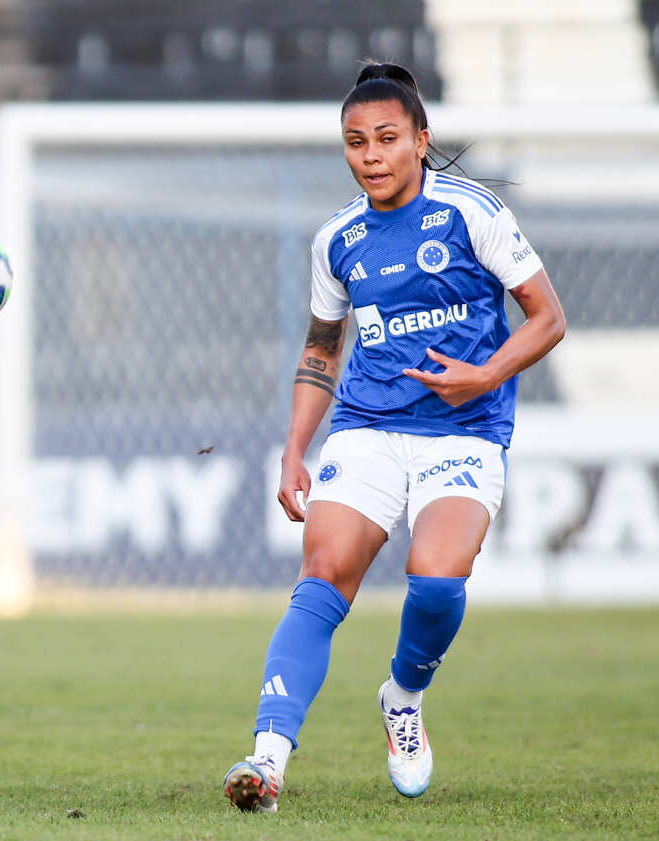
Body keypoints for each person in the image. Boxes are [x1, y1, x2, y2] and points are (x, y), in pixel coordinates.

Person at [222, 62, 566, 813]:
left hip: (466, 429)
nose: (371, 155)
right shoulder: (338, 239)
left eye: (385, 138)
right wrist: (293, 450)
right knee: (323, 573)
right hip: (368, 425)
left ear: (420, 140)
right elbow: (320, 351)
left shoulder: (469, 211)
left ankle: (403, 696)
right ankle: (268, 759)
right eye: (355, 141)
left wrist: (485, 375)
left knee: (439, 580)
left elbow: (547, 316)